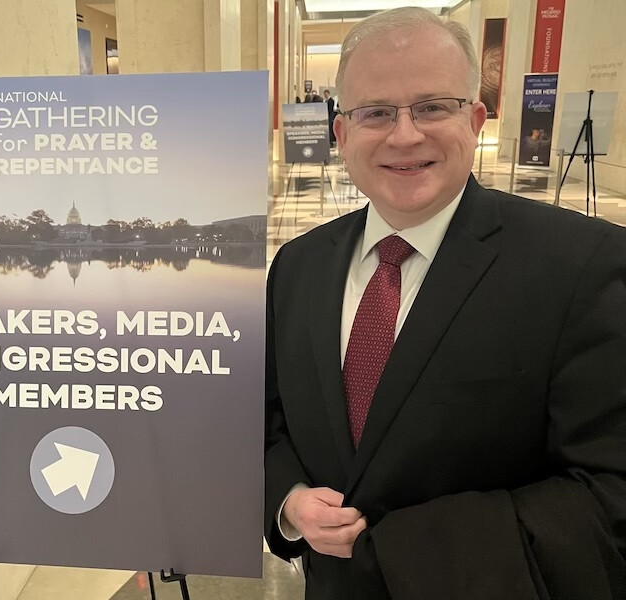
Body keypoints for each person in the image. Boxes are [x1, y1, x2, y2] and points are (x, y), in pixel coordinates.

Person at [264, 7, 626, 599]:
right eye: (375, 112)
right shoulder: (298, 267)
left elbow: (611, 491)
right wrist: (288, 500)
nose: (405, 135)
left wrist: (407, 550)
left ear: (477, 119)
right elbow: (270, 421)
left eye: (433, 106)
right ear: (341, 134)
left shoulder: (583, 267)